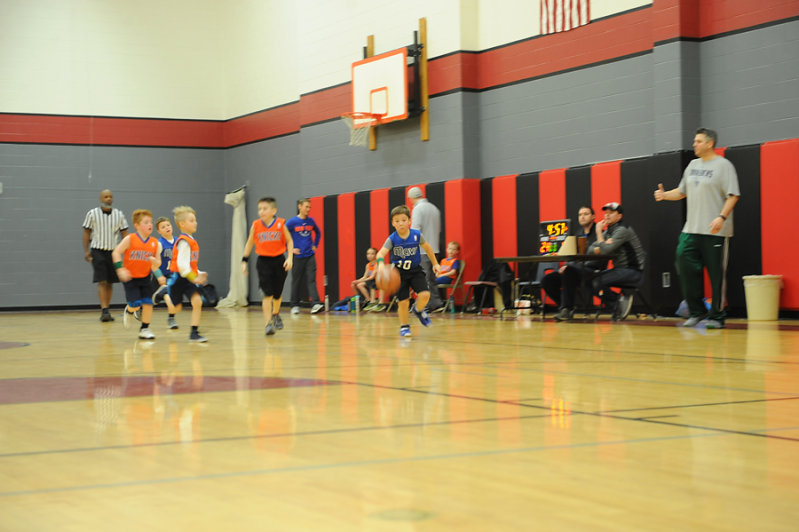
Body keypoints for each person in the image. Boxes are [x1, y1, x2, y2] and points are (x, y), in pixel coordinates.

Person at [654, 127, 740, 329]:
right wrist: (665, 195)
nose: (694, 144)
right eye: (694, 141)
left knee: (717, 276)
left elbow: (733, 195)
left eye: (698, 141)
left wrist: (721, 217)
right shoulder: (692, 165)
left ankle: (717, 316)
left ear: (710, 143)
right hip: (691, 230)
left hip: (715, 231)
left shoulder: (724, 166)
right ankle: (696, 311)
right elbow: (682, 191)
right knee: (683, 261)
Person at [376, 205, 441, 337]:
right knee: (403, 302)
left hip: (415, 271)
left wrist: (435, 264)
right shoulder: (392, 238)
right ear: (393, 223)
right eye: (397, 221)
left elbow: (428, 249)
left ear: (409, 221)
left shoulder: (416, 235)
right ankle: (404, 326)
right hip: (399, 274)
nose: (401, 223)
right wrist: (381, 265)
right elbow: (380, 254)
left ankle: (418, 310)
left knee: (425, 295)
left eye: (403, 220)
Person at [242, 197, 294, 336]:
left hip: (279, 261)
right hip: (263, 262)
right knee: (267, 294)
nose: (261, 211)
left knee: (277, 294)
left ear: (273, 211)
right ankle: (268, 324)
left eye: (265, 209)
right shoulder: (256, 225)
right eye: (259, 209)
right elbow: (249, 243)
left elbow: (289, 241)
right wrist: (244, 261)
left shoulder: (281, 224)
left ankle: (275, 314)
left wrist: (290, 258)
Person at [111, 209, 167, 339]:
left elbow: (158, 263)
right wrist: (120, 269)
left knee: (148, 303)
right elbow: (116, 252)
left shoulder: (155, 243)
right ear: (137, 225)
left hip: (145, 278)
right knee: (135, 304)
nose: (150, 225)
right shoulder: (130, 239)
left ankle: (145, 328)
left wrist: (158, 270)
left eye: (151, 222)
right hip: (130, 278)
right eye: (146, 222)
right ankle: (129, 310)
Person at [586, 202, 646, 321]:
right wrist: (603, 245)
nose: (607, 215)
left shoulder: (622, 230)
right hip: (620, 270)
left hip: (632, 271)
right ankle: (617, 303)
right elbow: (590, 249)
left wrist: (598, 233)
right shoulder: (609, 231)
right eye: (606, 213)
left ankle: (616, 305)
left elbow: (605, 251)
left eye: (611, 213)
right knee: (588, 281)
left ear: (619, 216)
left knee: (596, 282)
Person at [543, 206, 601, 321]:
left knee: (569, 271)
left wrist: (571, 266)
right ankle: (566, 307)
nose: (582, 217)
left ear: (593, 217)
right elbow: (571, 254)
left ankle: (566, 308)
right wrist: (566, 264)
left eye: (586, 214)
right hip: (574, 271)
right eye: (580, 215)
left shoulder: (599, 233)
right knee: (547, 280)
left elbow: (597, 258)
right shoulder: (578, 233)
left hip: (591, 270)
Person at [82, 189, 128, 322]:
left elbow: (125, 235)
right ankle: (104, 310)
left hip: (113, 251)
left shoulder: (119, 214)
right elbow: (86, 233)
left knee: (110, 282)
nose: (108, 198)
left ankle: (107, 309)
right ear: (101, 199)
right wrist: (86, 251)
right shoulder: (92, 214)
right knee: (102, 281)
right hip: (97, 250)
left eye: (110, 196)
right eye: (106, 196)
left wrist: (127, 252)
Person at [168, 206, 209, 342]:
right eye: (191, 220)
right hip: (178, 278)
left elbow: (191, 265)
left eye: (195, 220)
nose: (195, 223)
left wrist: (199, 273)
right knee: (177, 308)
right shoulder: (184, 242)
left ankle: (194, 333)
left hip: (188, 278)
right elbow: (182, 266)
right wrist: (194, 278)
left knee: (197, 302)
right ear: (182, 224)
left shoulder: (192, 241)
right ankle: (163, 293)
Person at [408, 186, 443, 312]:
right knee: (431, 278)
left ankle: (427, 304)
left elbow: (415, 230)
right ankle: (436, 302)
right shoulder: (434, 208)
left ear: (411, 198)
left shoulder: (417, 209)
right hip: (434, 248)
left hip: (422, 250)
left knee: (423, 278)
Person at [286, 198, 323, 315]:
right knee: (296, 281)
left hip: (310, 256)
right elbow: (282, 235)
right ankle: (294, 305)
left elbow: (318, 232)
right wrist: (290, 249)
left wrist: (315, 244)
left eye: (309, 207)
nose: (308, 209)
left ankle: (315, 304)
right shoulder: (292, 222)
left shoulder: (311, 221)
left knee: (311, 280)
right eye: (306, 207)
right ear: (300, 206)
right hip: (297, 257)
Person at [152, 217, 180, 329]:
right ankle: (138, 308)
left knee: (171, 299)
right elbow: (153, 264)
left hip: (172, 276)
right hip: (160, 276)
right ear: (159, 231)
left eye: (168, 225)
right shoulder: (159, 244)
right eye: (163, 227)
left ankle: (171, 318)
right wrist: (159, 276)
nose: (167, 228)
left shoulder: (178, 241)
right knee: (150, 302)